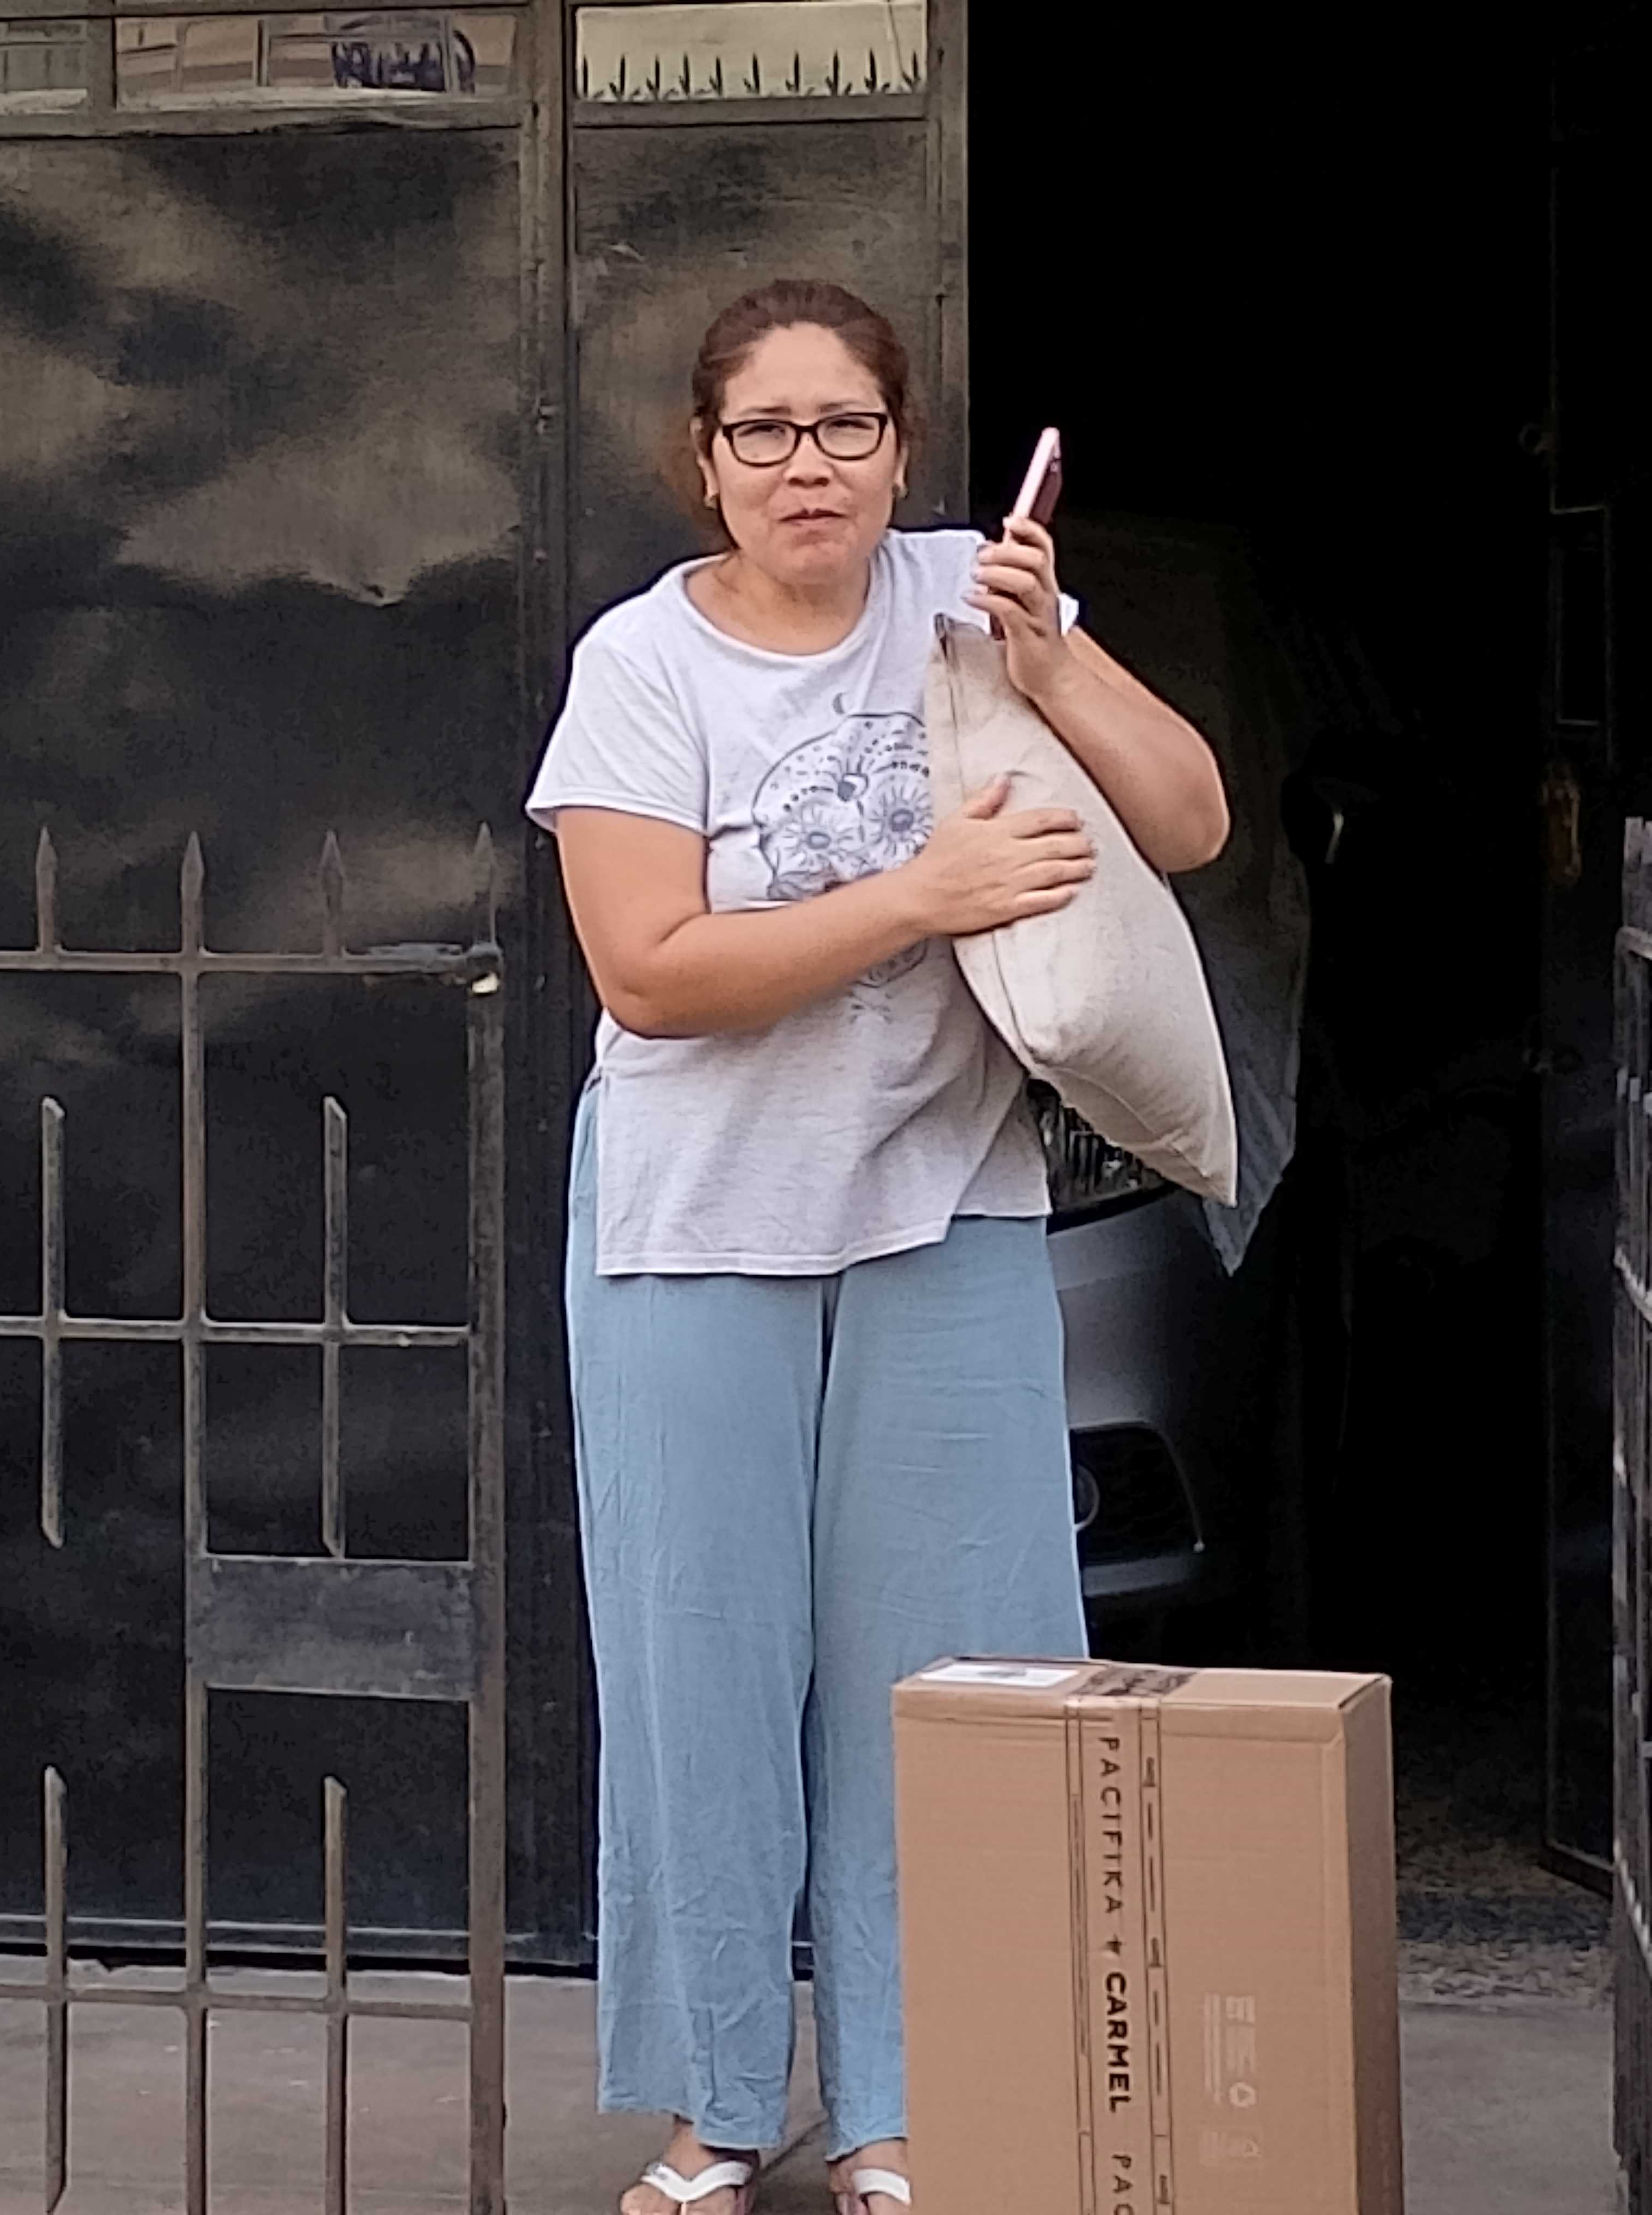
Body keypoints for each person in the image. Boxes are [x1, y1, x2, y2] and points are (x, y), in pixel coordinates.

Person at [524, 278, 1229, 2215]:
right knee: (702, 1677)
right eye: (764, 432)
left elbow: (1190, 820)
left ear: (903, 448)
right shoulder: (641, 663)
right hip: (693, 1227)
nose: (807, 466)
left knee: (955, 1683)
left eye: (846, 426)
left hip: (945, 1208)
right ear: (706, 462)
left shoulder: (965, 599)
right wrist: (926, 892)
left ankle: (913, 2108)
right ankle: (716, 2111)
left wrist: (1054, 659)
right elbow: (650, 972)